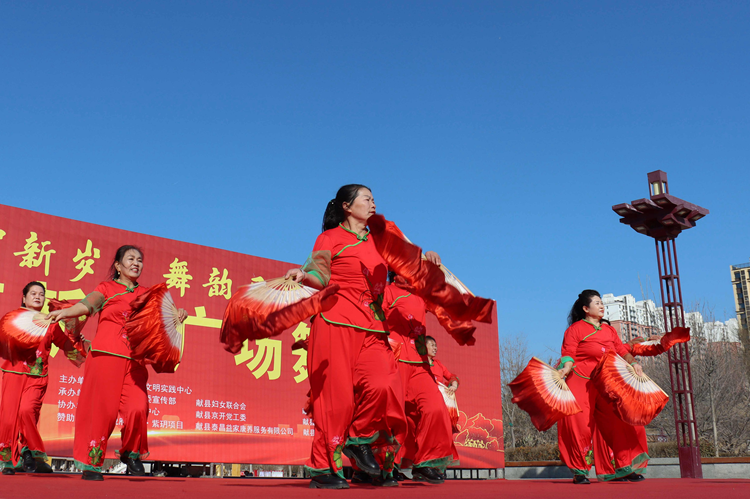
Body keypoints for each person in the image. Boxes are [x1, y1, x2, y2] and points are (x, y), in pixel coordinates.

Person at [285, 184, 407, 489]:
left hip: (372, 326)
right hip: (334, 323)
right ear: (346, 206)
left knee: (385, 385)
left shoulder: (380, 240)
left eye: (374, 198)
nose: (373, 202)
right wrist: (304, 276)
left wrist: (425, 258)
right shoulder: (329, 238)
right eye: (366, 198)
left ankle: (357, 438)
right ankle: (324, 468)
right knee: (334, 399)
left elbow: (407, 266)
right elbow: (319, 274)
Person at [48, 245, 187, 481]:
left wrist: (178, 313)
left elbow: (161, 318)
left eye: (139, 260)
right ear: (118, 265)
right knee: (102, 410)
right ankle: (91, 463)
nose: (136, 263)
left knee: (138, 407)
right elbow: (88, 304)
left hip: (135, 361)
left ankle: (130, 453)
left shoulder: (148, 294)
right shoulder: (107, 288)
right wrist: (69, 311)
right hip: (105, 356)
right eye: (130, 259)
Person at [556, 290, 649, 484]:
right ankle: (580, 471)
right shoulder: (575, 329)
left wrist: (633, 363)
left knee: (620, 421)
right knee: (580, 425)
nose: (601, 306)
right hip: (581, 380)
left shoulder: (609, 330)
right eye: (597, 303)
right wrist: (565, 367)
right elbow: (568, 352)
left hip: (607, 381)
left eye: (601, 303)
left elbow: (622, 351)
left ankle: (623, 468)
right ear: (585, 308)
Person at [384, 269, 456, 485]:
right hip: (394, 360)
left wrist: (436, 269)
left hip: (418, 363)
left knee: (435, 407)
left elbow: (444, 301)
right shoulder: (388, 291)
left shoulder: (420, 295)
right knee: (392, 416)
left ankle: (425, 463)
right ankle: (384, 467)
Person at [0, 282, 76, 475]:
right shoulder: (11, 318)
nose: (37, 297)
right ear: (24, 298)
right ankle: (7, 460)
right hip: (13, 374)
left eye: (41, 294)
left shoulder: (49, 322)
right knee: (8, 419)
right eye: (33, 293)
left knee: (27, 411)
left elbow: (66, 344)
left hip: (37, 376)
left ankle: (29, 450)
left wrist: (85, 346)